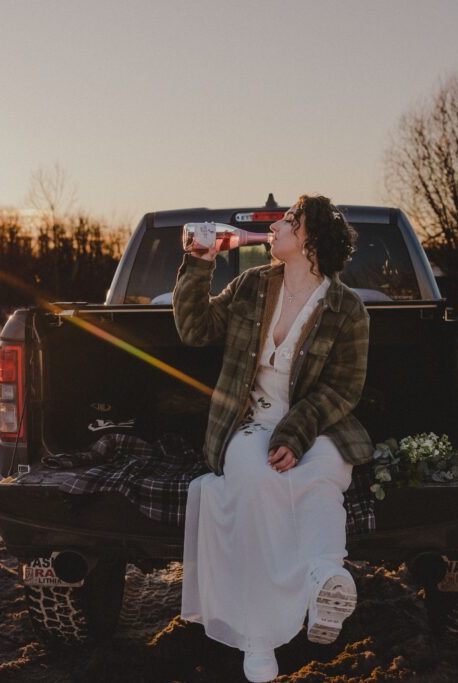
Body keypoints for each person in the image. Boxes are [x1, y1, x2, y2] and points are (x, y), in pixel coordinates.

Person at [172, 195, 374, 682]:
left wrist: (299, 431)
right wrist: (200, 263)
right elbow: (194, 329)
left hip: (316, 423)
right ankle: (260, 640)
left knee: (325, 471)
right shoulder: (251, 286)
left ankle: (327, 581)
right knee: (258, 481)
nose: (277, 226)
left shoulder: (347, 309)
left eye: (290, 220)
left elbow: (343, 387)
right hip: (248, 423)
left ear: (311, 241)